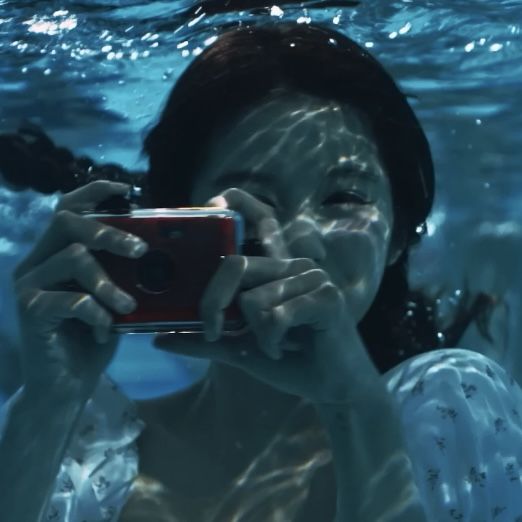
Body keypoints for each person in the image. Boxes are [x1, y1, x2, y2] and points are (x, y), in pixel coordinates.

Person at [0, 22, 521, 522]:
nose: (299, 239)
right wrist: (48, 407)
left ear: (400, 235)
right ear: (178, 225)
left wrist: (356, 409)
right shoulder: (80, 442)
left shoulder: (450, 409)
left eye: (343, 197)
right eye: (251, 203)